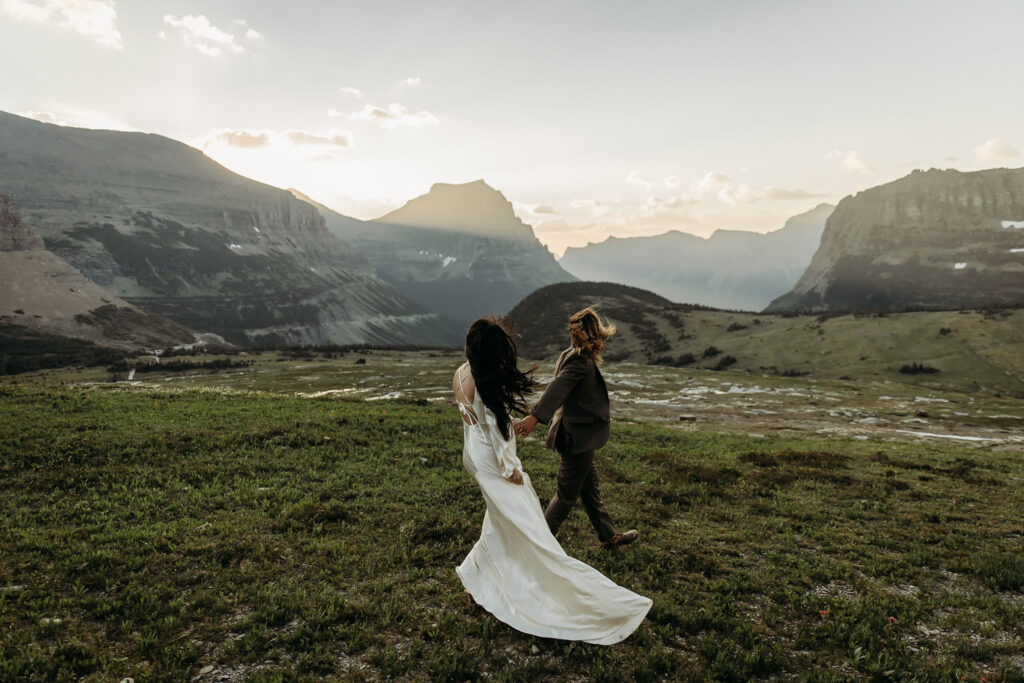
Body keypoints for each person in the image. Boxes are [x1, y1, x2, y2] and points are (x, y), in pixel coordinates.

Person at [453, 316, 651, 645]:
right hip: (497, 459)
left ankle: (477, 575)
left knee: (503, 518)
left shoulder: (461, 372)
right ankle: (539, 559)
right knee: (530, 517)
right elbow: (494, 426)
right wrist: (509, 466)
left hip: (474, 453)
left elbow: (478, 422)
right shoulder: (491, 381)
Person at [514, 307, 638, 550]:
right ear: (595, 334)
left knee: (590, 491)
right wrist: (534, 417)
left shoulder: (571, 354)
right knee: (566, 496)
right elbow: (556, 389)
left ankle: (608, 536)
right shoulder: (580, 361)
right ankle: (537, 545)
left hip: (579, 438)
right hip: (577, 438)